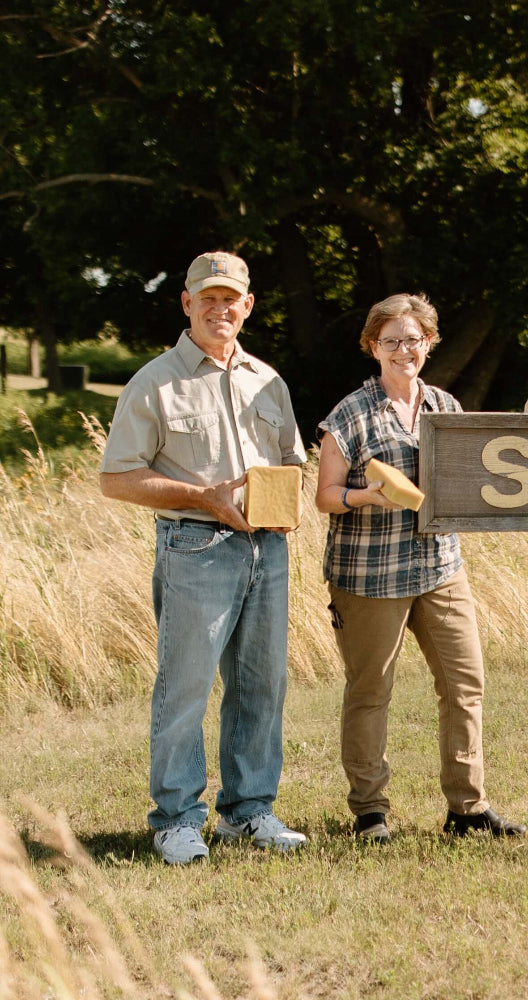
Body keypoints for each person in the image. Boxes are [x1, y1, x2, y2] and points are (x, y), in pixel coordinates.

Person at [315, 293, 528, 842]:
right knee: (371, 690)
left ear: (429, 343)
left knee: (465, 682)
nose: (404, 349)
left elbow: (480, 467)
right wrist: (367, 498)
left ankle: (467, 808)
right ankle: (370, 812)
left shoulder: (444, 406)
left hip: (440, 566)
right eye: (392, 340)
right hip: (369, 575)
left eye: (414, 339)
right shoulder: (351, 413)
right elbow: (325, 496)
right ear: (373, 347)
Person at [99, 251, 308, 864]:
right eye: (207, 298)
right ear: (186, 303)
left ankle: (249, 813)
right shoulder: (154, 381)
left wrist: (285, 503)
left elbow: (289, 464)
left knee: (261, 686)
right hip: (194, 546)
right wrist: (204, 498)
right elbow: (116, 478)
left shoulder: (268, 381)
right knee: (184, 687)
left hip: (266, 548)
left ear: (247, 307)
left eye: (231, 299)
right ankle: (176, 819)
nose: (220, 309)